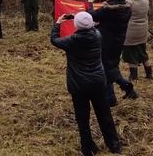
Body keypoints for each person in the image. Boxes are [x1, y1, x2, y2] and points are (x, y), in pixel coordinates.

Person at [51, 12, 123, 156]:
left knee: (82, 118)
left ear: (76, 26)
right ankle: (114, 145)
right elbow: (91, 24)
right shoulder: (97, 35)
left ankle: (87, 148)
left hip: (79, 85)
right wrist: (80, 18)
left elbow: (54, 40)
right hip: (98, 82)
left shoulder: (71, 41)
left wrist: (58, 23)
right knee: (105, 115)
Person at [90, 0, 137, 106]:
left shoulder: (108, 10)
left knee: (108, 69)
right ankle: (122, 92)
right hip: (118, 42)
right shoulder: (127, 8)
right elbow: (114, 10)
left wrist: (90, 2)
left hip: (106, 42)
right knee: (111, 67)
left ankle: (118, 94)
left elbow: (92, 16)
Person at [123, 0, 153, 80]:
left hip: (131, 32)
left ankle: (134, 76)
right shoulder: (146, 0)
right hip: (143, 31)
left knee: (131, 54)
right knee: (143, 52)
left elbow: (120, 7)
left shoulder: (129, 2)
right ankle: (149, 74)